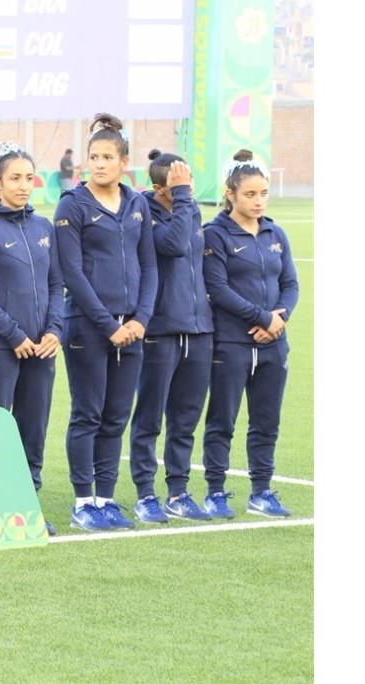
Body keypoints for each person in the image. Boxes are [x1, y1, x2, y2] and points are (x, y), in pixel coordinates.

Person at [54, 113, 157, 531]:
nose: (98, 163)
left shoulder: (137, 204)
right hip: (87, 328)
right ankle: (83, 501)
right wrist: (107, 324)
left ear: (123, 162)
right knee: (88, 414)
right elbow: (72, 273)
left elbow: (149, 264)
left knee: (117, 416)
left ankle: (106, 498)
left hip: (132, 329)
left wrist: (141, 319)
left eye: (107, 157)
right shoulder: (72, 205)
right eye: (93, 156)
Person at [0, 142, 64, 536]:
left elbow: (57, 283)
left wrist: (54, 329)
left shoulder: (43, 227)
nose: (24, 186)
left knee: (33, 428)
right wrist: (14, 334)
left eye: (29, 178)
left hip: (42, 349)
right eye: (15, 179)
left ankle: (27, 507)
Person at [201, 150, 299, 519]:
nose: (258, 201)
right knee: (222, 420)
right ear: (231, 194)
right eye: (250, 195)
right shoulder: (215, 235)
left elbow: (290, 283)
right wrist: (261, 316)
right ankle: (215, 491)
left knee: (266, 421)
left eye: (263, 194)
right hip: (231, 344)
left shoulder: (277, 233)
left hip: (274, 345)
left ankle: (261, 491)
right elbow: (218, 288)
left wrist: (279, 318)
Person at [127, 149, 214, 524]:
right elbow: (174, 246)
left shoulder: (189, 209)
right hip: (159, 332)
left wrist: (184, 201)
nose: (188, 191)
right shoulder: (143, 212)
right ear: (160, 188)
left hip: (198, 331)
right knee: (149, 419)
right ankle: (145, 494)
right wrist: (182, 199)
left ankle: (178, 491)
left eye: (189, 184)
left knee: (185, 419)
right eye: (180, 185)